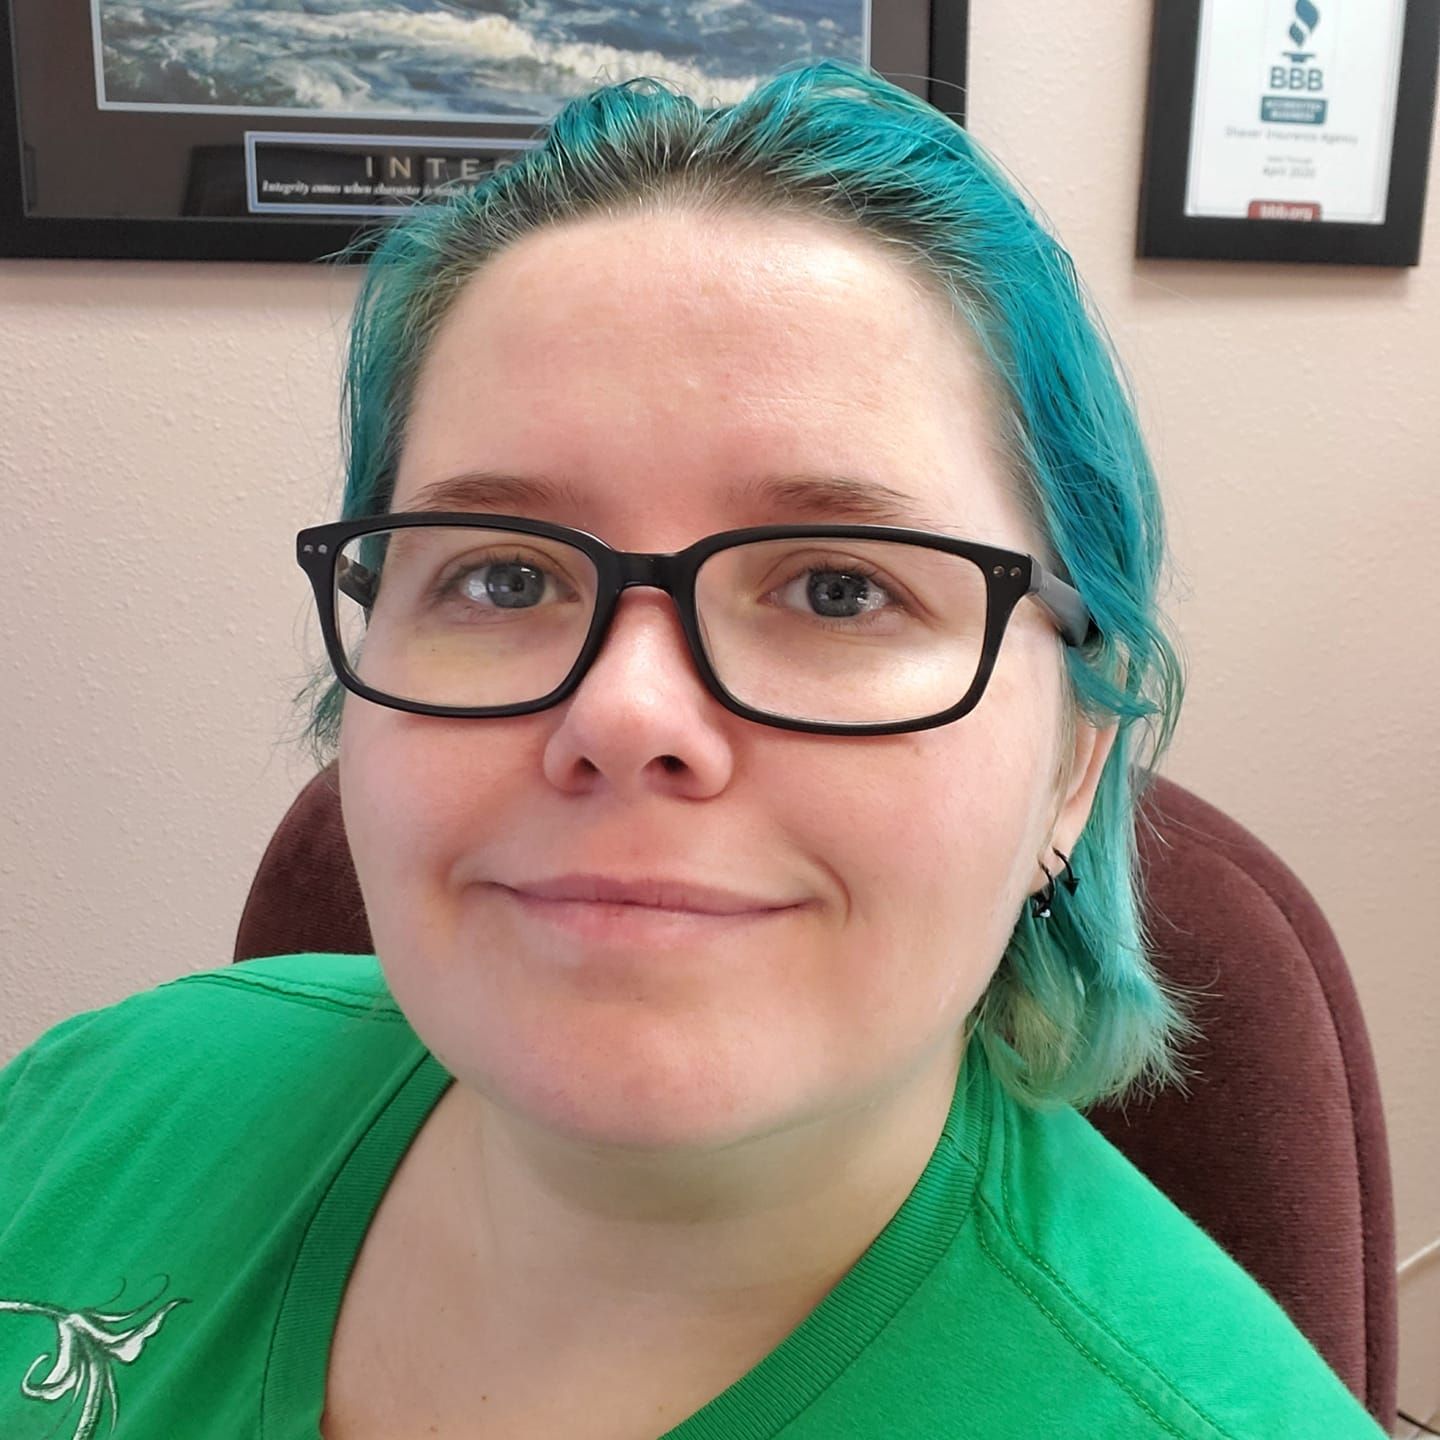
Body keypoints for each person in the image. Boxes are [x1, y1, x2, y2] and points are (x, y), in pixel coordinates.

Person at [0, 60, 1386, 1440]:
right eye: (501, 576)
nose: (626, 714)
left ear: (1075, 764)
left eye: (841, 586)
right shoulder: (86, 1110)